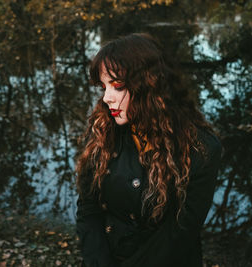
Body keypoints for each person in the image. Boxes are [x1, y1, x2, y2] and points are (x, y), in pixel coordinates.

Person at [75, 33, 222, 267]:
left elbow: (180, 233)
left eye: (117, 86)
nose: (106, 98)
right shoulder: (103, 132)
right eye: (103, 87)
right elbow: (88, 210)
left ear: (148, 85)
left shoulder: (201, 148)